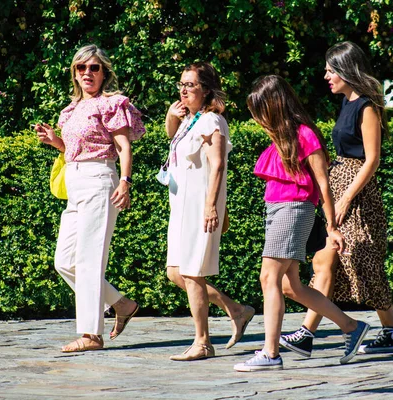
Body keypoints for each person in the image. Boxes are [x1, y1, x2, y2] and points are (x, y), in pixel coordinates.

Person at [233, 75, 370, 372]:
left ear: (274, 105)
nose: (258, 118)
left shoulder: (304, 134)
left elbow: (324, 183)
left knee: (268, 277)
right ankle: (351, 326)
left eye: (261, 110)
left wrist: (332, 227)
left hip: (293, 208)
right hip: (278, 209)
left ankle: (270, 354)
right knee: (289, 285)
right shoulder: (281, 138)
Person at [280, 41, 393, 356]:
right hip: (339, 190)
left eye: (330, 70)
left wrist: (347, 197)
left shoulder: (366, 107)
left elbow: (372, 159)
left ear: (346, 71)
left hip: (359, 196)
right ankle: (307, 333)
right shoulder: (347, 103)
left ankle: (391, 332)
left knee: (364, 262)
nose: (326, 76)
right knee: (326, 259)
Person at [36, 44, 145, 352]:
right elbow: (73, 152)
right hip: (76, 182)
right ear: (74, 72)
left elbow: (123, 146)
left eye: (94, 68)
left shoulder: (110, 103)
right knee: (64, 261)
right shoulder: (69, 111)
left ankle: (90, 335)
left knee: (88, 259)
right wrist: (55, 140)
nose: (87, 73)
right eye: (81, 68)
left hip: (100, 180)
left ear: (104, 73)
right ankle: (121, 305)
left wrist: (125, 181)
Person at [164, 62, 255, 361]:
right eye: (181, 84)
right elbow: (172, 140)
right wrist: (170, 116)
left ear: (206, 89)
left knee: (192, 273)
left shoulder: (212, 121)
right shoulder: (190, 120)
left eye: (191, 85)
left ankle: (202, 341)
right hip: (180, 206)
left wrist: (211, 206)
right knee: (175, 272)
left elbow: (218, 165)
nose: (184, 89)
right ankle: (236, 310)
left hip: (198, 206)